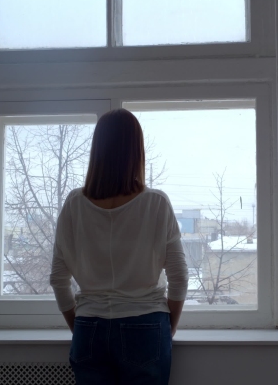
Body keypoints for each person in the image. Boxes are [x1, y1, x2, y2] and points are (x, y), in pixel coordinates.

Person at [50, 109, 188, 385]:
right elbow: (180, 276)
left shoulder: (74, 204)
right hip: (146, 324)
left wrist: (80, 327)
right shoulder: (156, 203)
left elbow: (58, 279)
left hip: (89, 326)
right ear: (137, 151)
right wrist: (168, 327)